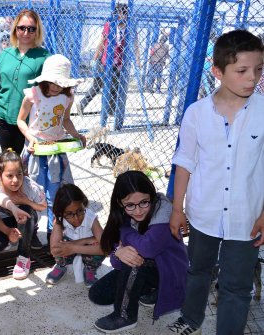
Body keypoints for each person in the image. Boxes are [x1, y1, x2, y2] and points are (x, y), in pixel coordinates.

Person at [167, 30, 264, 335]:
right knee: (198, 270)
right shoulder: (196, 114)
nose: (253, 78)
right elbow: (184, 162)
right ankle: (191, 319)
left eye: (259, 69)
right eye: (242, 71)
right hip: (203, 213)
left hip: (246, 217)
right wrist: (177, 208)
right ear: (218, 71)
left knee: (236, 285)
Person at [89, 171, 188, 333]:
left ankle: (125, 316)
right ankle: (149, 289)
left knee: (135, 257)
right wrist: (118, 250)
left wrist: (125, 232)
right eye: (130, 205)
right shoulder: (121, 214)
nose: (138, 210)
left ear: (152, 196)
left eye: (144, 202)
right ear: (120, 203)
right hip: (149, 268)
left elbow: (147, 248)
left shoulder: (163, 212)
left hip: (169, 272)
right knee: (98, 294)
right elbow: (115, 261)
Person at [17, 54, 85, 236]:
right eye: (52, 82)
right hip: (36, 149)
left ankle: (53, 231)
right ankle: (32, 231)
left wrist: (77, 135)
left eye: (60, 83)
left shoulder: (67, 96)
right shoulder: (34, 94)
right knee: (35, 189)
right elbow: (20, 120)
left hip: (56, 149)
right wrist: (30, 138)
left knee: (55, 191)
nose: (56, 87)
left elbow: (66, 120)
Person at [0, 9, 49, 154]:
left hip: (30, 120)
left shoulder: (44, 56)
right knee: (8, 157)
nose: (26, 32)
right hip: (5, 116)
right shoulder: (5, 54)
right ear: (15, 29)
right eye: (22, 28)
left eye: (31, 29)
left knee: (28, 161)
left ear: (37, 31)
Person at [0, 150, 48, 280]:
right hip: (6, 220)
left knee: (25, 211)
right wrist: (8, 231)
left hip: (28, 217)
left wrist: (26, 201)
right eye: (9, 176)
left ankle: (24, 256)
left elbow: (43, 206)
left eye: (19, 174)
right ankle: (22, 236)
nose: (15, 180)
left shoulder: (29, 186)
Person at [77, 4, 138, 117]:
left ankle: (110, 112)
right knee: (97, 86)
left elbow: (135, 45)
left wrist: (138, 63)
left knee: (115, 87)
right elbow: (101, 42)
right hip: (104, 62)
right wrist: (94, 59)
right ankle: (82, 104)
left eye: (124, 14)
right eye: (120, 13)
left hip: (118, 63)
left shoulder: (130, 27)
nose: (122, 16)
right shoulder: (109, 25)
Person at [45, 184, 105, 286]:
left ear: (84, 204)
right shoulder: (60, 219)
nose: (76, 218)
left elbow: (105, 247)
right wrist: (86, 240)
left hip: (87, 251)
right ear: (61, 212)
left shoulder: (90, 217)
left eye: (80, 211)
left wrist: (74, 247)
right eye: (69, 214)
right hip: (68, 250)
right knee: (60, 244)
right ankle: (61, 265)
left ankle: (90, 269)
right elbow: (54, 249)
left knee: (98, 245)